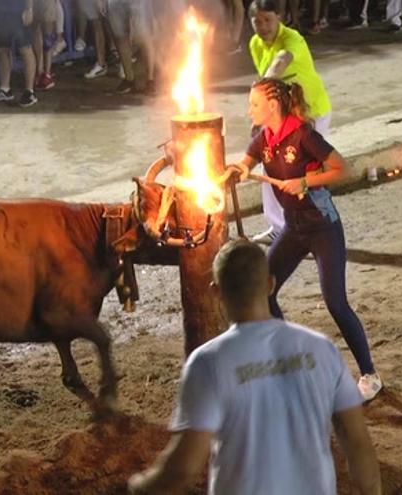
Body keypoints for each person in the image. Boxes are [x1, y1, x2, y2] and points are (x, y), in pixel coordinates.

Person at [128, 239, 382, 495]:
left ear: (216, 292)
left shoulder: (207, 363)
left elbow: (183, 467)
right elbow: (358, 444)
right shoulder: (321, 349)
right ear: (270, 284)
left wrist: (141, 485)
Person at [228, 78, 383, 401]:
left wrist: (305, 181)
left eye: (254, 104)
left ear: (273, 106)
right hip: (293, 228)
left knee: (335, 303)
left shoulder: (303, 135)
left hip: (322, 226)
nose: (249, 110)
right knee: (263, 290)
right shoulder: (263, 138)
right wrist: (233, 171)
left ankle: (370, 374)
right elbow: (244, 164)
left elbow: (344, 169)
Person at [247, 0, 332, 244]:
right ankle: (278, 226)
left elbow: (278, 64)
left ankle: (318, 224)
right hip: (286, 116)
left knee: (304, 171)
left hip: (312, 113)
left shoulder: (293, 39)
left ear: (280, 18)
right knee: (271, 166)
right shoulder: (255, 44)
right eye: (257, 21)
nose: (263, 26)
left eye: (267, 20)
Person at [0, 0, 39, 107]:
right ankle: (5, 89)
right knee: (2, 49)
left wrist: (29, 8)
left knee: (25, 48)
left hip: (18, 9)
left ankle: (29, 91)